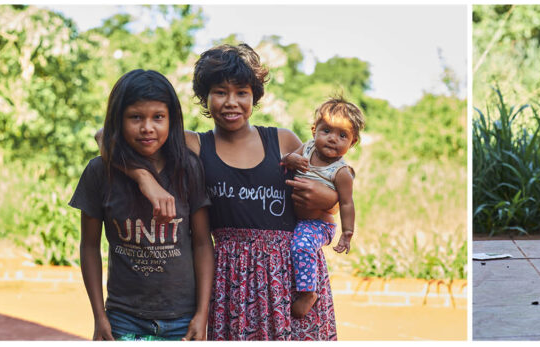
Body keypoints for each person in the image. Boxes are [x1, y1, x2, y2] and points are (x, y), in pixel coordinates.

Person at [106, 44, 340, 340]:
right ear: (205, 97)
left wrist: (330, 202)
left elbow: (329, 197)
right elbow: (108, 137)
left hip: (290, 282)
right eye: (220, 92)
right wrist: (144, 178)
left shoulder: (283, 141)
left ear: (254, 96)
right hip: (232, 282)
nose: (231, 102)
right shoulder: (193, 146)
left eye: (241, 92)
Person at [70, 69, 214, 340]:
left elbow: (203, 243)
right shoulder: (99, 172)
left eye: (158, 117)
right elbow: (89, 245)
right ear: (118, 120)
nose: (147, 127)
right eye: (135, 117)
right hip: (123, 318)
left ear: (172, 120)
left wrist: (201, 313)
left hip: (182, 318)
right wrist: (99, 317)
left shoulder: (188, 168)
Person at [281, 97, 365, 318]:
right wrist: (291, 159)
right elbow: (284, 160)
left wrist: (347, 233)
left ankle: (308, 294)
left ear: (352, 142)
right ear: (313, 131)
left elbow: (347, 203)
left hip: (318, 225)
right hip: (296, 221)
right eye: (326, 130)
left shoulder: (341, 172)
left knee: (301, 245)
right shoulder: (307, 149)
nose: (332, 139)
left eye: (342, 135)